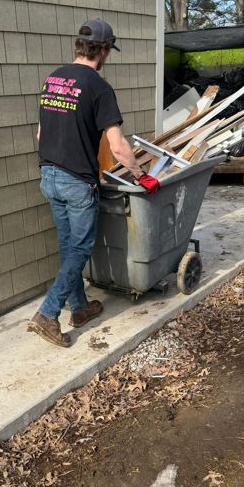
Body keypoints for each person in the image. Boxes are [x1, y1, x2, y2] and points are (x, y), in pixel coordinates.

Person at [27, 19, 161, 347]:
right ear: (102, 50)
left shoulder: (53, 79)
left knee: (67, 245)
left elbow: (41, 133)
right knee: (80, 248)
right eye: (108, 51)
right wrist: (141, 175)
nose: (108, 56)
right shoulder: (98, 86)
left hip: (49, 175)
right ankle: (48, 312)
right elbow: (117, 146)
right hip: (77, 181)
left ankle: (80, 308)